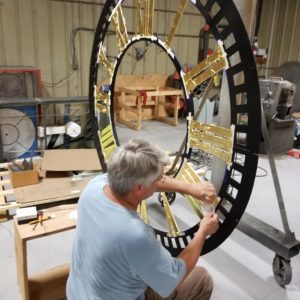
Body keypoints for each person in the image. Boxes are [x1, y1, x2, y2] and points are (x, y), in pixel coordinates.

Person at [67, 139, 219, 300]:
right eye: (159, 178)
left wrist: (190, 188)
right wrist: (202, 232)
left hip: (79, 292)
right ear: (140, 188)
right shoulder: (135, 234)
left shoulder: (95, 187)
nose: (162, 180)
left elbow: (146, 181)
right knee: (201, 279)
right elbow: (174, 276)